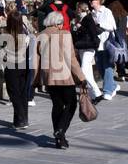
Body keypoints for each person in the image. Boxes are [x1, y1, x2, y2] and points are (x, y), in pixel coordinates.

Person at [33, 11, 89, 148]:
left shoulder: (39, 36)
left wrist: (35, 80)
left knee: (57, 105)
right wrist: (81, 77)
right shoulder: (64, 34)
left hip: (48, 76)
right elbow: (71, 59)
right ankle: (60, 130)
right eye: (62, 23)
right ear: (58, 23)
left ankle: (60, 139)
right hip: (63, 75)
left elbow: (35, 60)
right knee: (71, 104)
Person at [1, 9, 34, 129]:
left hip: (11, 65)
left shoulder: (5, 33)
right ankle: (19, 121)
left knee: (13, 93)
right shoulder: (25, 32)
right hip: (24, 64)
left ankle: (21, 118)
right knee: (22, 92)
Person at [71, 2, 103, 102]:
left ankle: (97, 93)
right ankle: (95, 95)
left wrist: (80, 27)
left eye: (77, 9)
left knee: (84, 71)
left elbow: (92, 32)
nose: (76, 10)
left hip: (89, 47)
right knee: (88, 72)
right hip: (82, 47)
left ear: (80, 9)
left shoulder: (88, 18)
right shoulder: (80, 18)